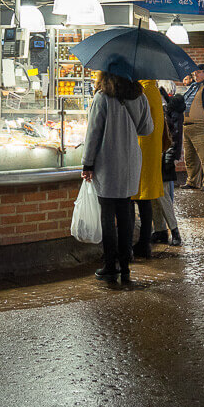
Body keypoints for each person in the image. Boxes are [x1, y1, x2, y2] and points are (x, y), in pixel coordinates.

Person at [81, 64, 153, 285]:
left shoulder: (102, 97)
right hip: (131, 163)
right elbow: (146, 129)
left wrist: (87, 163)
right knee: (126, 214)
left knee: (107, 217)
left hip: (107, 163)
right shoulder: (139, 96)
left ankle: (110, 266)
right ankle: (126, 268)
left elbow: (93, 133)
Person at [132, 79, 165, 259]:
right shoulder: (152, 89)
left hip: (142, 149)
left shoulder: (144, 90)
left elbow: (140, 122)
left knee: (141, 198)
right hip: (149, 150)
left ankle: (143, 243)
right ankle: (143, 242)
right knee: (145, 198)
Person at [152, 80, 184, 246]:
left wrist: (169, 156)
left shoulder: (169, 109)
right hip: (157, 155)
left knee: (163, 197)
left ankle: (174, 231)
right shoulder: (166, 108)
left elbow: (173, 137)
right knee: (154, 197)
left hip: (163, 157)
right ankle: (160, 230)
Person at [179, 64, 204, 189]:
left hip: (200, 126)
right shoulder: (192, 87)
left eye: (198, 72)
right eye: (194, 73)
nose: (195, 75)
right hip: (186, 126)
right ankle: (192, 181)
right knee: (190, 157)